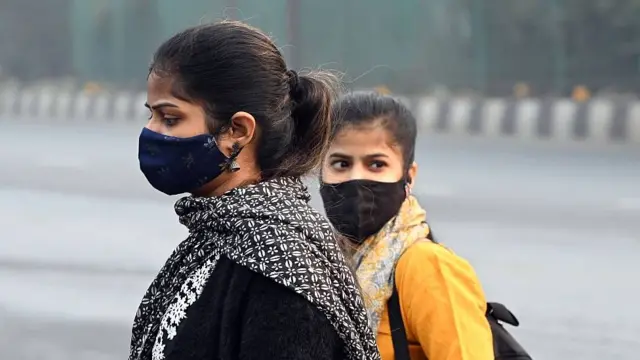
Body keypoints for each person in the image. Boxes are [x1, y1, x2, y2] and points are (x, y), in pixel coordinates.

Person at [128, 22, 380, 360]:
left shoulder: (281, 263)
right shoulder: (219, 233)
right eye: (152, 116)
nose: (151, 132)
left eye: (169, 119)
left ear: (238, 130)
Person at [319, 92, 494, 360]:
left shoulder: (427, 267)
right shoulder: (324, 262)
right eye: (341, 164)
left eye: (376, 164)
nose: (356, 178)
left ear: (408, 177)